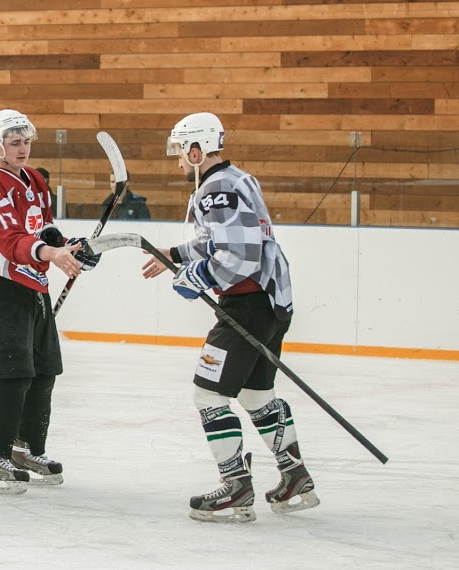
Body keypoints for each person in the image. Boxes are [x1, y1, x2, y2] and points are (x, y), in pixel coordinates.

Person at [141, 112, 316, 522]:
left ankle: (236, 486)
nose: (179, 162)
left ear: (195, 149)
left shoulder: (214, 189)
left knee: (208, 394)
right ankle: (295, 477)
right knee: (256, 396)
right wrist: (177, 254)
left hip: (247, 306)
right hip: (271, 303)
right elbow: (220, 238)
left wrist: (193, 278)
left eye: (181, 154)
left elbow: (239, 256)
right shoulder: (237, 179)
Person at [0, 109, 97, 494]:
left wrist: (68, 247)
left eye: (26, 141)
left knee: (44, 369)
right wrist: (50, 254)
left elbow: (42, 228)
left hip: (32, 282)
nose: (23, 149)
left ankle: (25, 448)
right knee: (13, 372)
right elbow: (8, 239)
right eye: (14, 142)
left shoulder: (35, 178)